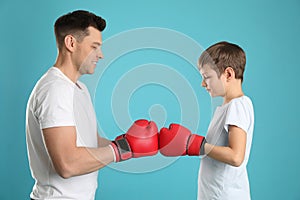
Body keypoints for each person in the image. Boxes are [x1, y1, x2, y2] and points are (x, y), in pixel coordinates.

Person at [26, 10, 158, 200]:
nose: (101, 55)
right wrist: (120, 150)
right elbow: (67, 164)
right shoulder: (55, 90)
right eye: (94, 46)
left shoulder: (79, 89)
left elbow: (91, 143)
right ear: (71, 43)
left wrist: (131, 145)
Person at [159, 41, 254, 199]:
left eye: (207, 77)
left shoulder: (238, 105)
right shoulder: (228, 107)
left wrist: (195, 145)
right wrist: (188, 144)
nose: (203, 84)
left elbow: (236, 156)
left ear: (228, 74)